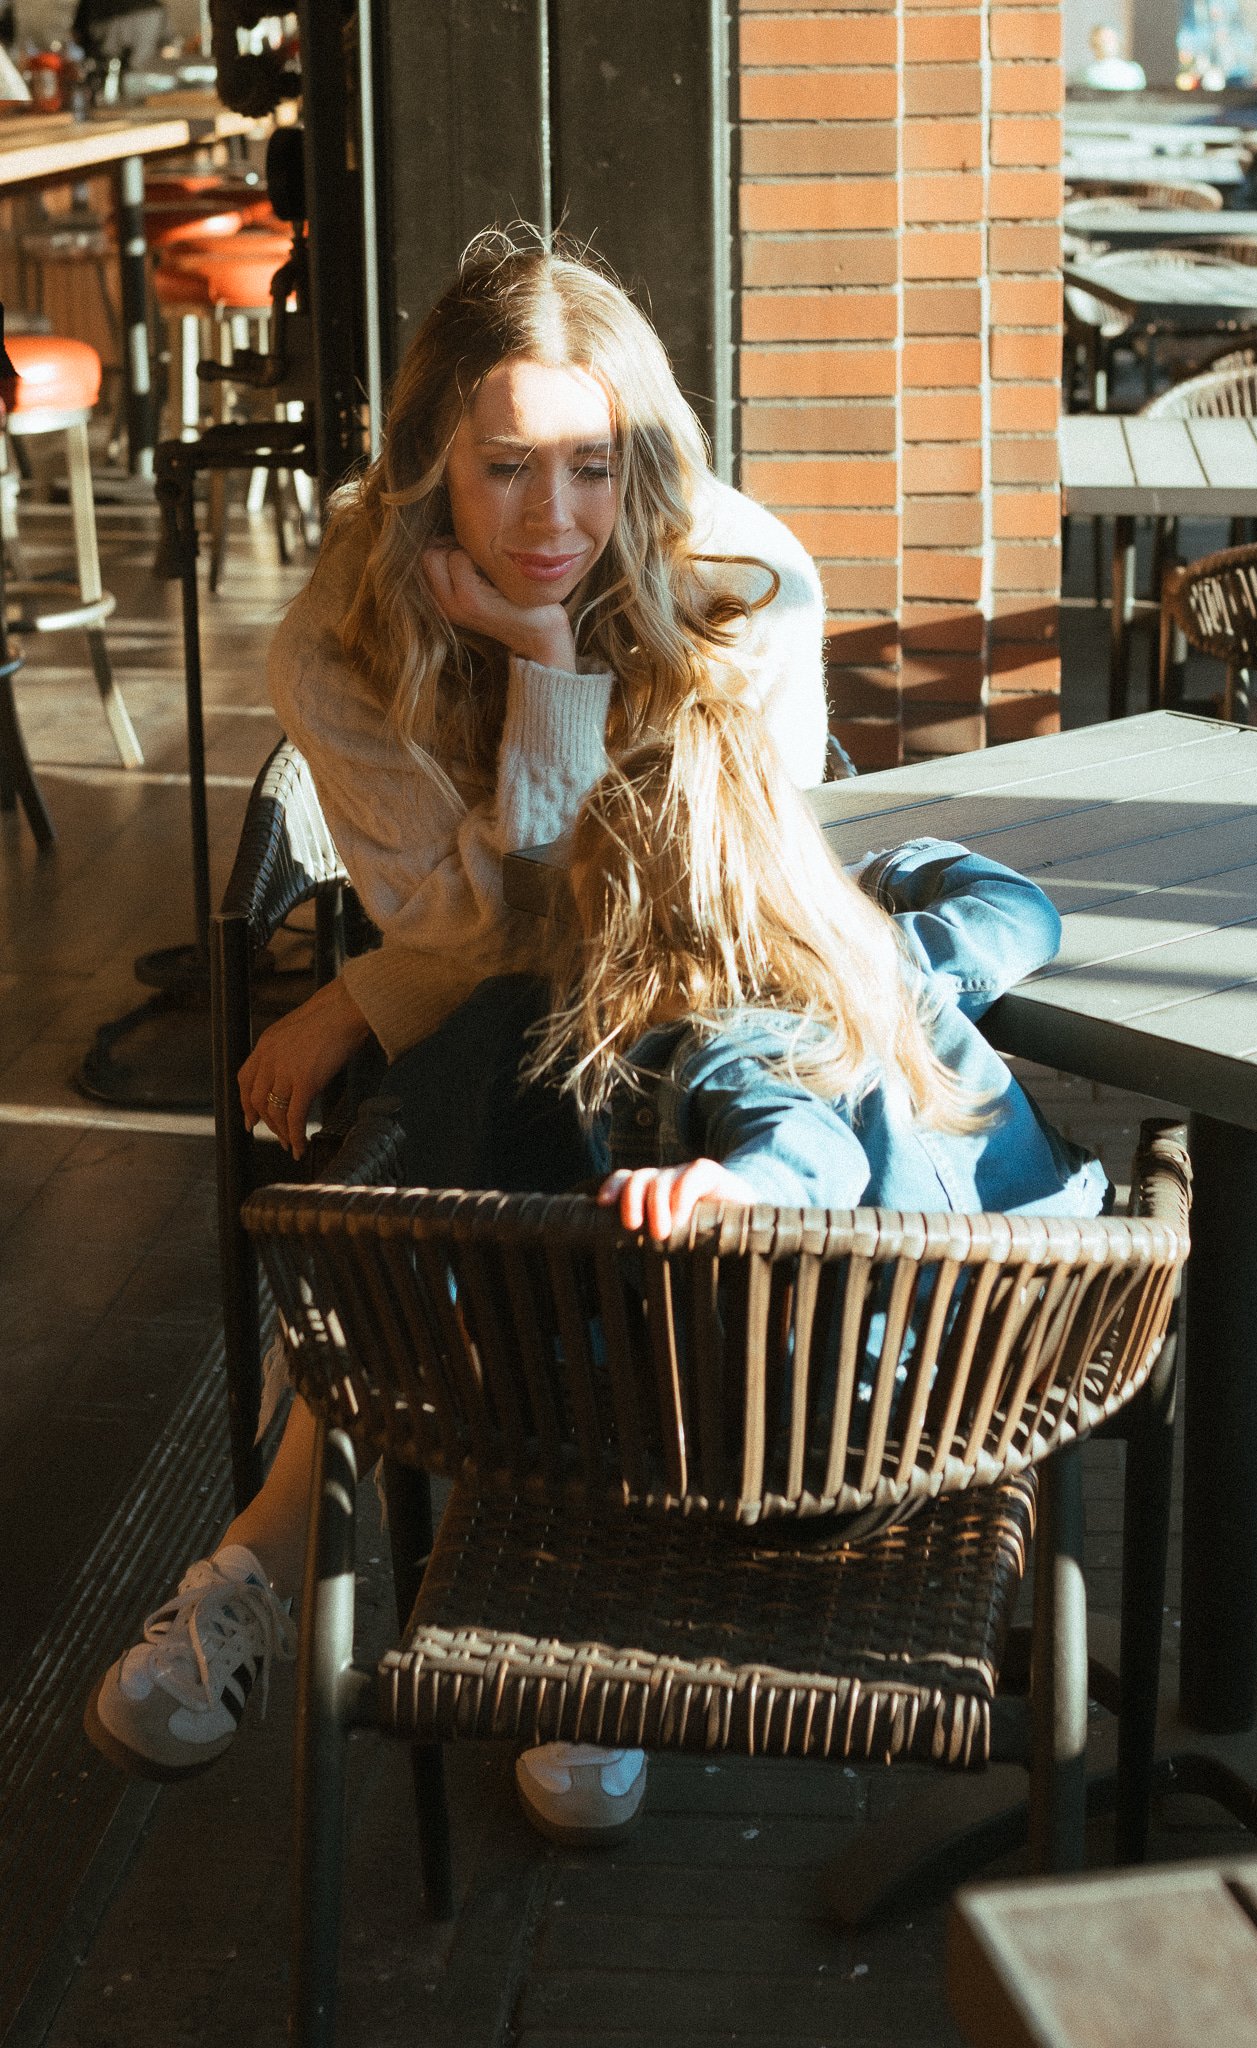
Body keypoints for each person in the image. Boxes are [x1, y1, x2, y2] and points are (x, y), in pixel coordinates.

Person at [85, 232, 828, 1847]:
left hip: (712, 1016)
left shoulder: (740, 581)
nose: (553, 517)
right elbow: (482, 936)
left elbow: (694, 912)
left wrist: (543, 674)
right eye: (505, 468)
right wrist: (539, 707)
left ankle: (276, 1551)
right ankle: (569, 1607)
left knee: (518, 1085)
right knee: (507, 1062)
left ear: (644, 457)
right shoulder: (340, 640)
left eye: (591, 465)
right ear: (430, 462)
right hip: (511, 1045)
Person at [529, 697, 1107, 1245]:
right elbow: (1025, 914)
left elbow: (804, 1148)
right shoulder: (881, 959)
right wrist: (874, 876)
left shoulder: (733, 1045)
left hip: (916, 1312)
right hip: (1057, 1269)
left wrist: (744, 1187)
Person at [1083, 24, 1146, 92]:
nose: (1108, 44)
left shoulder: (1134, 71)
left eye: (1110, 39)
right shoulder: (1086, 74)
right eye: (1103, 40)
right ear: (1094, 45)